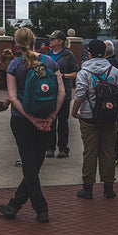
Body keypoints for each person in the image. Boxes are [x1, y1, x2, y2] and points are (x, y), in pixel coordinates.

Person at [0, 28, 65, 223]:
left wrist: (30, 119)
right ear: (35, 40)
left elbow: (12, 97)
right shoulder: (50, 62)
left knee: (29, 165)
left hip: (22, 120)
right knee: (35, 164)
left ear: (16, 44)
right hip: (46, 117)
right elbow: (61, 93)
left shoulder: (14, 65)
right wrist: (51, 116)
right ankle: (14, 205)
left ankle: (40, 208)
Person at [71, 39, 118, 200]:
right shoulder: (114, 71)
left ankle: (88, 188)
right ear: (104, 53)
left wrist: (75, 112)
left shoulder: (84, 72)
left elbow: (80, 94)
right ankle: (109, 188)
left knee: (90, 152)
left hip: (89, 117)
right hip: (110, 117)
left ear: (89, 53)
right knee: (109, 152)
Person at [45, 30, 79, 159]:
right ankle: (49, 148)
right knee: (50, 120)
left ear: (60, 41)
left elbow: (76, 73)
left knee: (63, 122)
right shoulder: (47, 54)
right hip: (49, 93)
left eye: (53, 39)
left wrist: (62, 75)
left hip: (64, 92)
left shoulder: (68, 55)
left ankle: (63, 148)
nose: (50, 41)